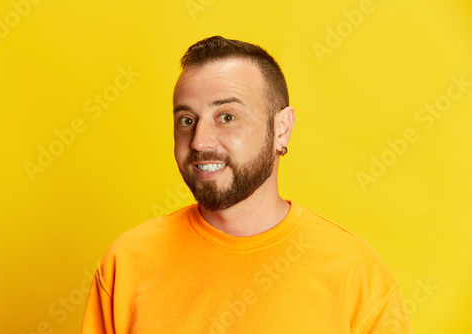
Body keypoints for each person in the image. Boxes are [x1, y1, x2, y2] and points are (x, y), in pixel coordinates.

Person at [81, 36, 413, 333]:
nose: (199, 141)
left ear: (281, 129)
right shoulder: (126, 264)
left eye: (227, 116)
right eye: (186, 120)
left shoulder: (355, 274)